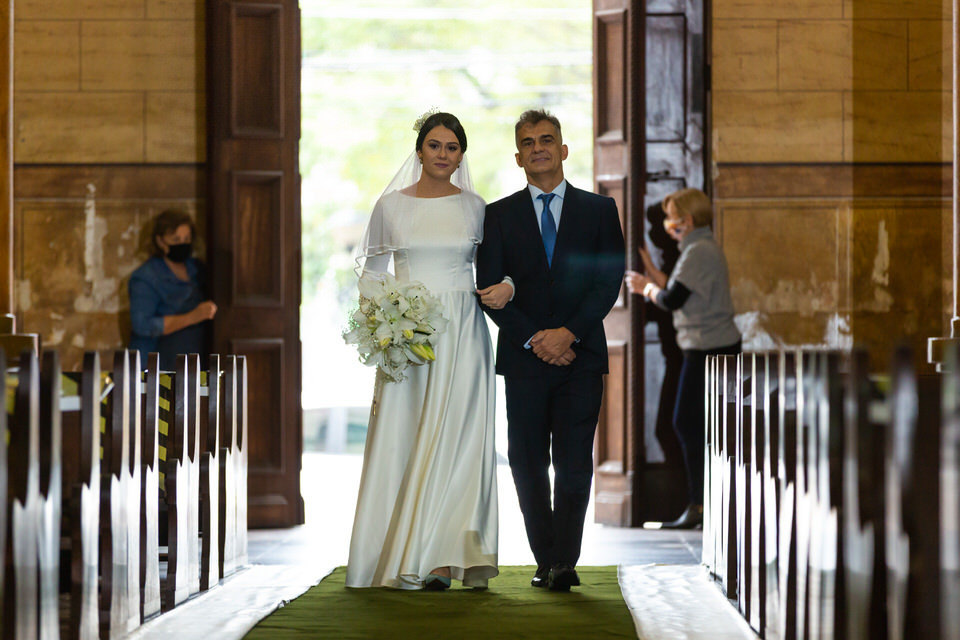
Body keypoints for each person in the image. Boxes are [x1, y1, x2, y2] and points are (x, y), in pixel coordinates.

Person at [345, 112, 514, 591]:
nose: (443, 154)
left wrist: (509, 285)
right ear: (419, 150)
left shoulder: (477, 207)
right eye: (435, 145)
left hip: (464, 331)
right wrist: (387, 324)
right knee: (406, 435)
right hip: (410, 335)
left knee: (462, 440)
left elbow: (502, 267)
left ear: (462, 154)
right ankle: (396, 552)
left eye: (453, 147)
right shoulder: (391, 207)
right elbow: (373, 273)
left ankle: (446, 557)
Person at [476, 109, 625, 591]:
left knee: (575, 460)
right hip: (524, 359)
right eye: (527, 142)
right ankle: (545, 556)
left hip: (581, 357)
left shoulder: (600, 210)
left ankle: (565, 560)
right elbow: (489, 288)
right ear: (518, 157)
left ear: (563, 149)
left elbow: (607, 282)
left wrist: (569, 334)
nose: (537, 147)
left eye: (546, 139)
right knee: (525, 460)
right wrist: (536, 338)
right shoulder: (496, 215)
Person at [625, 187, 741, 529]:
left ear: (686, 221)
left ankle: (701, 505)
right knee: (695, 425)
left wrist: (646, 288)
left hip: (710, 348)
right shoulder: (696, 248)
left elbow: (673, 299)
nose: (667, 225)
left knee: (686, 424)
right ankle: (702, 504)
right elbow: (682, 292)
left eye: (671, 219)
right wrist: (650, 276)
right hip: (708, 347)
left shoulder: (699, 251)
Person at [129, 209, 217, 370]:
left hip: (193, 361)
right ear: (161, 242)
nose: (183, 244)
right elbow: (142, 324)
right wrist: (192, 317)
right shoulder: (146, 277)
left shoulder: (197, 269)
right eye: (176, 240)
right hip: (158, 365)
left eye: (187, 239)